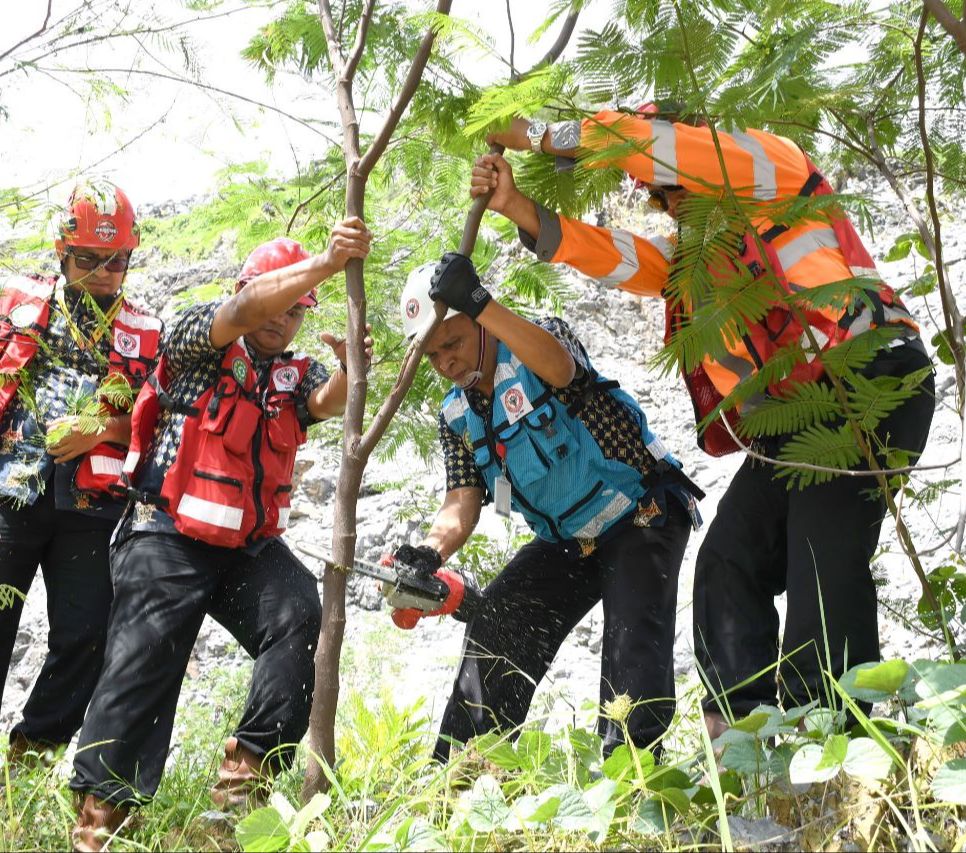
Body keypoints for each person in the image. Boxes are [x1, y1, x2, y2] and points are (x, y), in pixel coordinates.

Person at [472, 110, 935, 735]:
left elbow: (646, 142)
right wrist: (520, 209)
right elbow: (624, 258)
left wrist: (537, 133)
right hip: (795, 421)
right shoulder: (701, 258)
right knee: (727, 560)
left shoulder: (766, 162)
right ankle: (740, 741)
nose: (667, 204)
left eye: (669, 186)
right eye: (661, 197)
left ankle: (836, 741)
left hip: (866, 384)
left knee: (820, 556)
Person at [69, 223, 372, 850]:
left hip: (245, 546)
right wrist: (326, 261)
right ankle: (101, 823)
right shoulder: (198, 334)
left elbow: (326, 403)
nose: (283, 319)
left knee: (296, 614)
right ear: (248, 287)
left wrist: (351, 367)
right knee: (146, 659)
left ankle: (241, 791)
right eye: (277, 303)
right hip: (165, 530)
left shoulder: (292, 371)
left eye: (296, 314)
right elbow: (243, 310)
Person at [390, 255, 702, 763]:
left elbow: (561, 369)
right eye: (432, 353)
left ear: (480, 323)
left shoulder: (539, 341)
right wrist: (429, 552)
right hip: (568, 540)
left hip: (640, 510)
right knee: (499, 621)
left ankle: (635, 776)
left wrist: (482, 302)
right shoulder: (456, 415)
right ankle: (462, 776)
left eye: (454, 341)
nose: (446, 360)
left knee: (632, 643)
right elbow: (461, 500)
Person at [0, 180, 161, 766]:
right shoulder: (14, 299)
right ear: (62, 251)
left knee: (87, 635)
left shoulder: (147, 332)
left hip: (91, 510)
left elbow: (157, 424)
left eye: (116, 260)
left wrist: (102, 431)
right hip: (8, 496)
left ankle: (31, 754)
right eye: (89, 259)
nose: (103, 272)